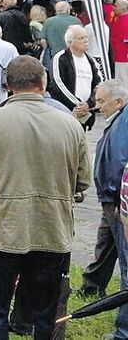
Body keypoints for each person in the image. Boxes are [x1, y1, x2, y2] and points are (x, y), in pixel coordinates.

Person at [0, 56, 89, 339]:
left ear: (7, 85)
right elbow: (82, 180)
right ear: (43, 82)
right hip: (51, 231)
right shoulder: (70, 124)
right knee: (45, 313)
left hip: (2, 230)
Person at [89, 80, 128, 339]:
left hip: (118, 205)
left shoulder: (123, 122)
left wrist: (116, 202)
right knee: (109, 249)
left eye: (102, 101)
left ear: (118, 100)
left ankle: (123, 331)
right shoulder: (118, 119)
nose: (97, 106)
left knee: (127, 269)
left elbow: (120, 161)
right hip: (113, 203)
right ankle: (92, 284)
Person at [49, 24, 101, 128]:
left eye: (86, 37)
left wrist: (89, 104)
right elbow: (58, 84)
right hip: (66, 111)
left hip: (85, 113)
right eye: (81, 38)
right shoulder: (60, 58)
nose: (86, 40)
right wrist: (78, 104)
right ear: (69, 42)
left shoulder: (91, 61)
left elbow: (98, 85)